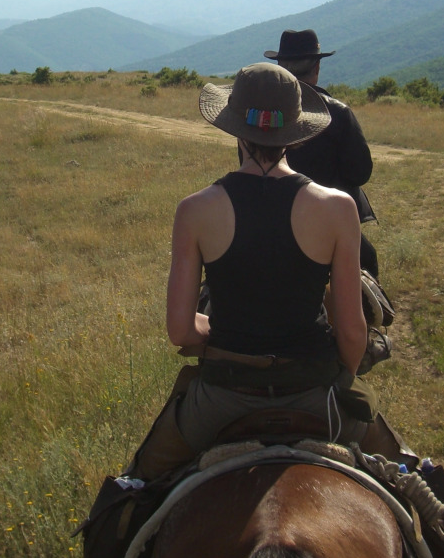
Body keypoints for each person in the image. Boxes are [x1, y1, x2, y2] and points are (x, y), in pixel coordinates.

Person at [125, 61, 411, 482]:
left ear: (235, 129)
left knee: (134, 488)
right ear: (296, 133)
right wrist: (335, 380)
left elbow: (181, 332)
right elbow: (353, 334)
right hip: (317, 398)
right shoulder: (337, 209)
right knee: (413, 479)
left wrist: (221, 335)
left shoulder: (195, 210)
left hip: (220, 401)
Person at [265, 29, 381, 278]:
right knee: (367, 262)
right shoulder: (337, 113)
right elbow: (360, 172)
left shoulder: (262, 116)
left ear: (280, 69)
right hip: (328, 218)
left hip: (271, 217)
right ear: (316, 67)